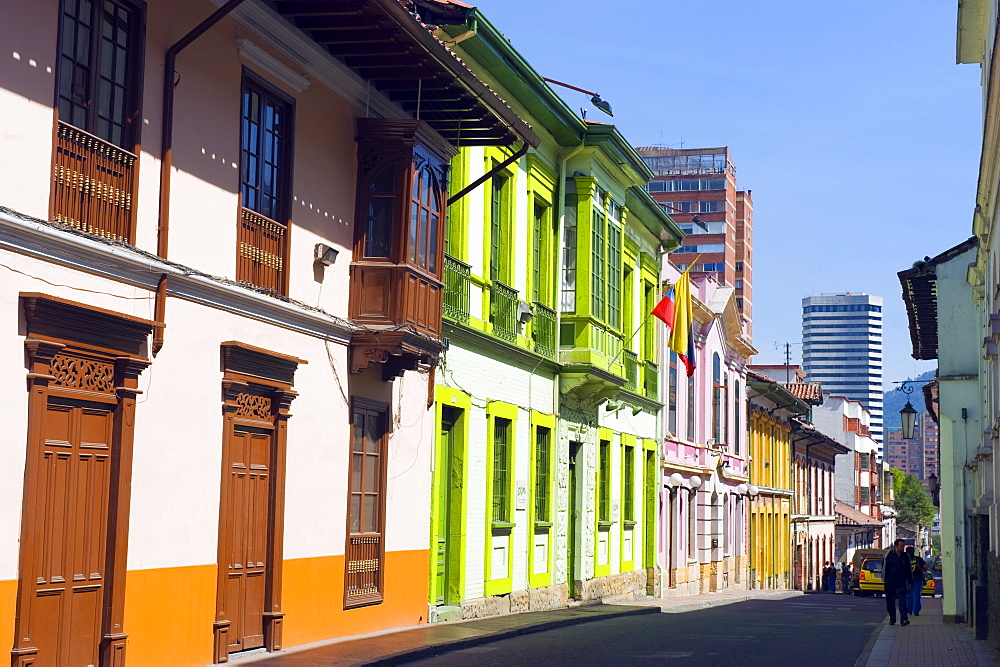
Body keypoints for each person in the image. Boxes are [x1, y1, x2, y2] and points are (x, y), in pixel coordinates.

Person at [883, 539, 913, 626]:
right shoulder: (889, 555)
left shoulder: (905, 556)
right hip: (890, 581)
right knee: (890, 601)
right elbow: (884, 568)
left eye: (903, 546)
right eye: (901, 546)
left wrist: (910, 580)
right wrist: (884, 579)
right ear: (896, 546)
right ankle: (892, 618)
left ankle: (904, 619)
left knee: (902, 600)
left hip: (901, 581)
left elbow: (909, 569)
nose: (903, 548)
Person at [906, 546, 927, 616]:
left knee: (909, 595)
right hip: (918, 579)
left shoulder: (905, 560)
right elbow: (925, 567)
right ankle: (916, 611)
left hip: (908, 580)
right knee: (916, 595)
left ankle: (909, 610)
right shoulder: (918, 559)